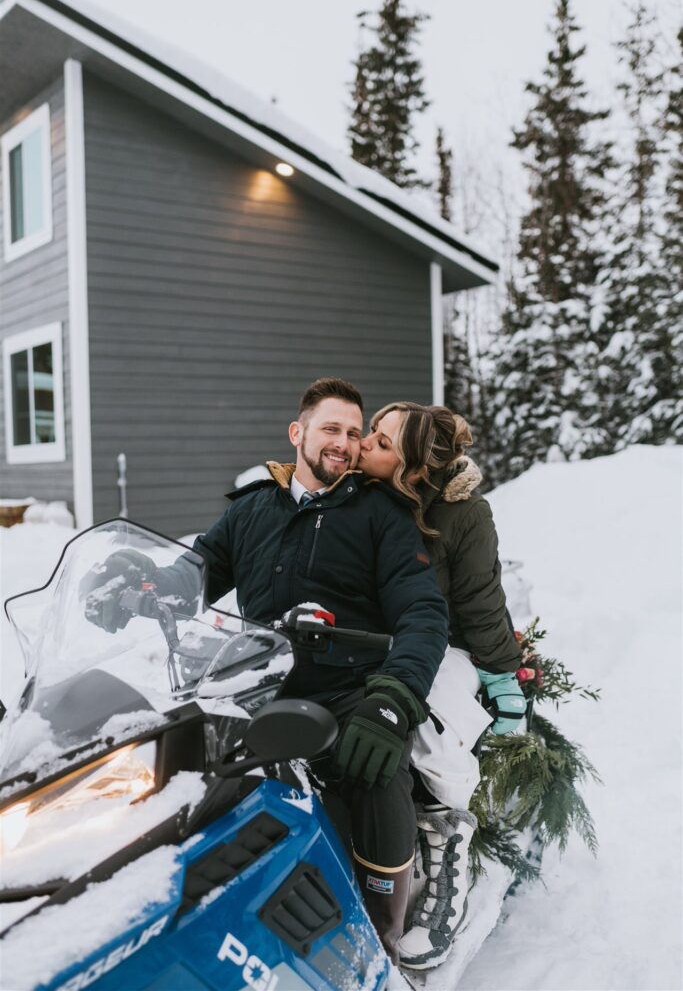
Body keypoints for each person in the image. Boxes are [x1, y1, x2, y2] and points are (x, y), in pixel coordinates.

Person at [84, 378, 449, 964]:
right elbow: (196, 573)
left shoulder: (382, 515)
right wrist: (140, 584)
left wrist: (395, 698)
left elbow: (423, 611)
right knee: (174, 766)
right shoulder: (253, 508)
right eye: (331, 428)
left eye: (355, 434)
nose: (345, 443)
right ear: (297, 433)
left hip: (349, 689)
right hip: (259, 685)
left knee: (376, 770)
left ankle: (381, 934)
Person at [357, 401, 525, 970]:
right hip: (376, 642)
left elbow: (479, 602)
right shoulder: (364, 492)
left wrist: (502, 676)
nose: (363, 446)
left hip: (444, 644)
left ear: (411, 469)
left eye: (379, 443)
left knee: (434, 730)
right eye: (369, 433)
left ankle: (445, 844)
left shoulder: (463, 515)